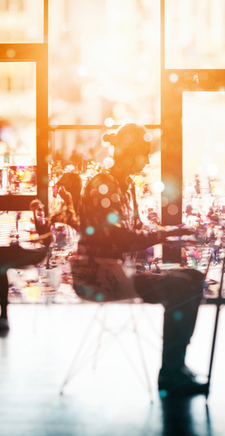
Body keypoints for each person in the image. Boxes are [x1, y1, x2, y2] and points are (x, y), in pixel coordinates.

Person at [72, 123, 206, 398]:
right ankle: (170, 372)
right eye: (143, 154)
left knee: (194, 278)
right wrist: (171, 231)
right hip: (100, 276)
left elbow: (135, 229)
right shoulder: (103, 186)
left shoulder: (122, 185)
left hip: (116, 270)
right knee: (180, 286)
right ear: (128, 153)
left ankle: (176, 365)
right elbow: (123, 238)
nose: (146, 161)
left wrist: (173, 230)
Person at [0, 173, 83, 334]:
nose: (58, 190)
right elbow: (48, 233)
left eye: (62, 186)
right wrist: (37, 220)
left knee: (0, 256)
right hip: (45, 252)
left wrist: (32, 240)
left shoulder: (72, 208)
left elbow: (59, 234)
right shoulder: (63, 206)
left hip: (48, 256)